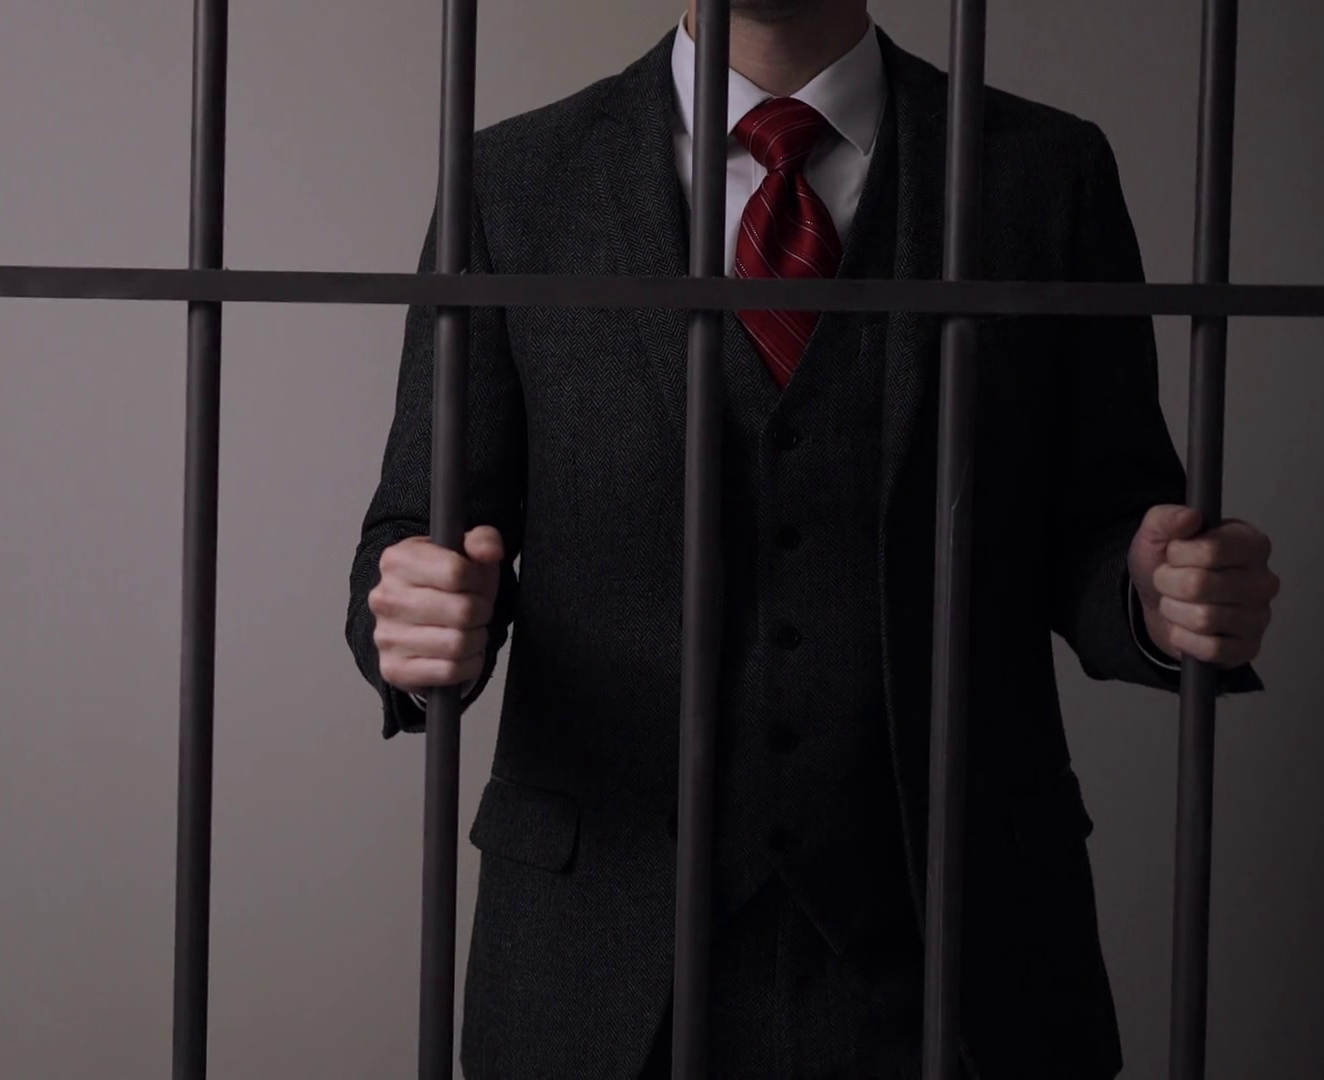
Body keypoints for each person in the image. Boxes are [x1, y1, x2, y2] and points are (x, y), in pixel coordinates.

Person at [342, 1, 1282, 1078]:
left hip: (960, 953)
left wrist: (1156, 601)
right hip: (597, 956)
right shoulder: (512, 180)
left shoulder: (1044, 170)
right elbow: (417, 525)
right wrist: (415, 619)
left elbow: (1107, 519)